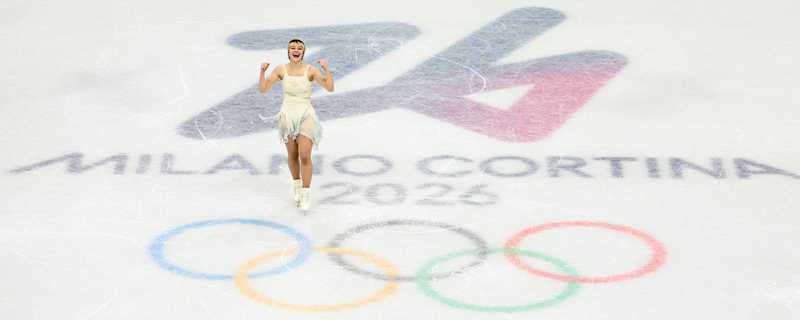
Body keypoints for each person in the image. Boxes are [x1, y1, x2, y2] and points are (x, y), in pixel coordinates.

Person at [258, 39, 334, 210]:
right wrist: (262, 71)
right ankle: (297, 186)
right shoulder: (281, 69)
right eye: (292, 47)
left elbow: (330, 88)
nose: (296, 50)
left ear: (303, 52)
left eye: (299, 48)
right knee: (292, 155)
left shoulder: (310, 70)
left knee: (304, 155)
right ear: (288, 52)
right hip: (287, 115)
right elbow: (263, 88)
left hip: (306, 115)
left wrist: (326, 70)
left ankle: (306, 193)